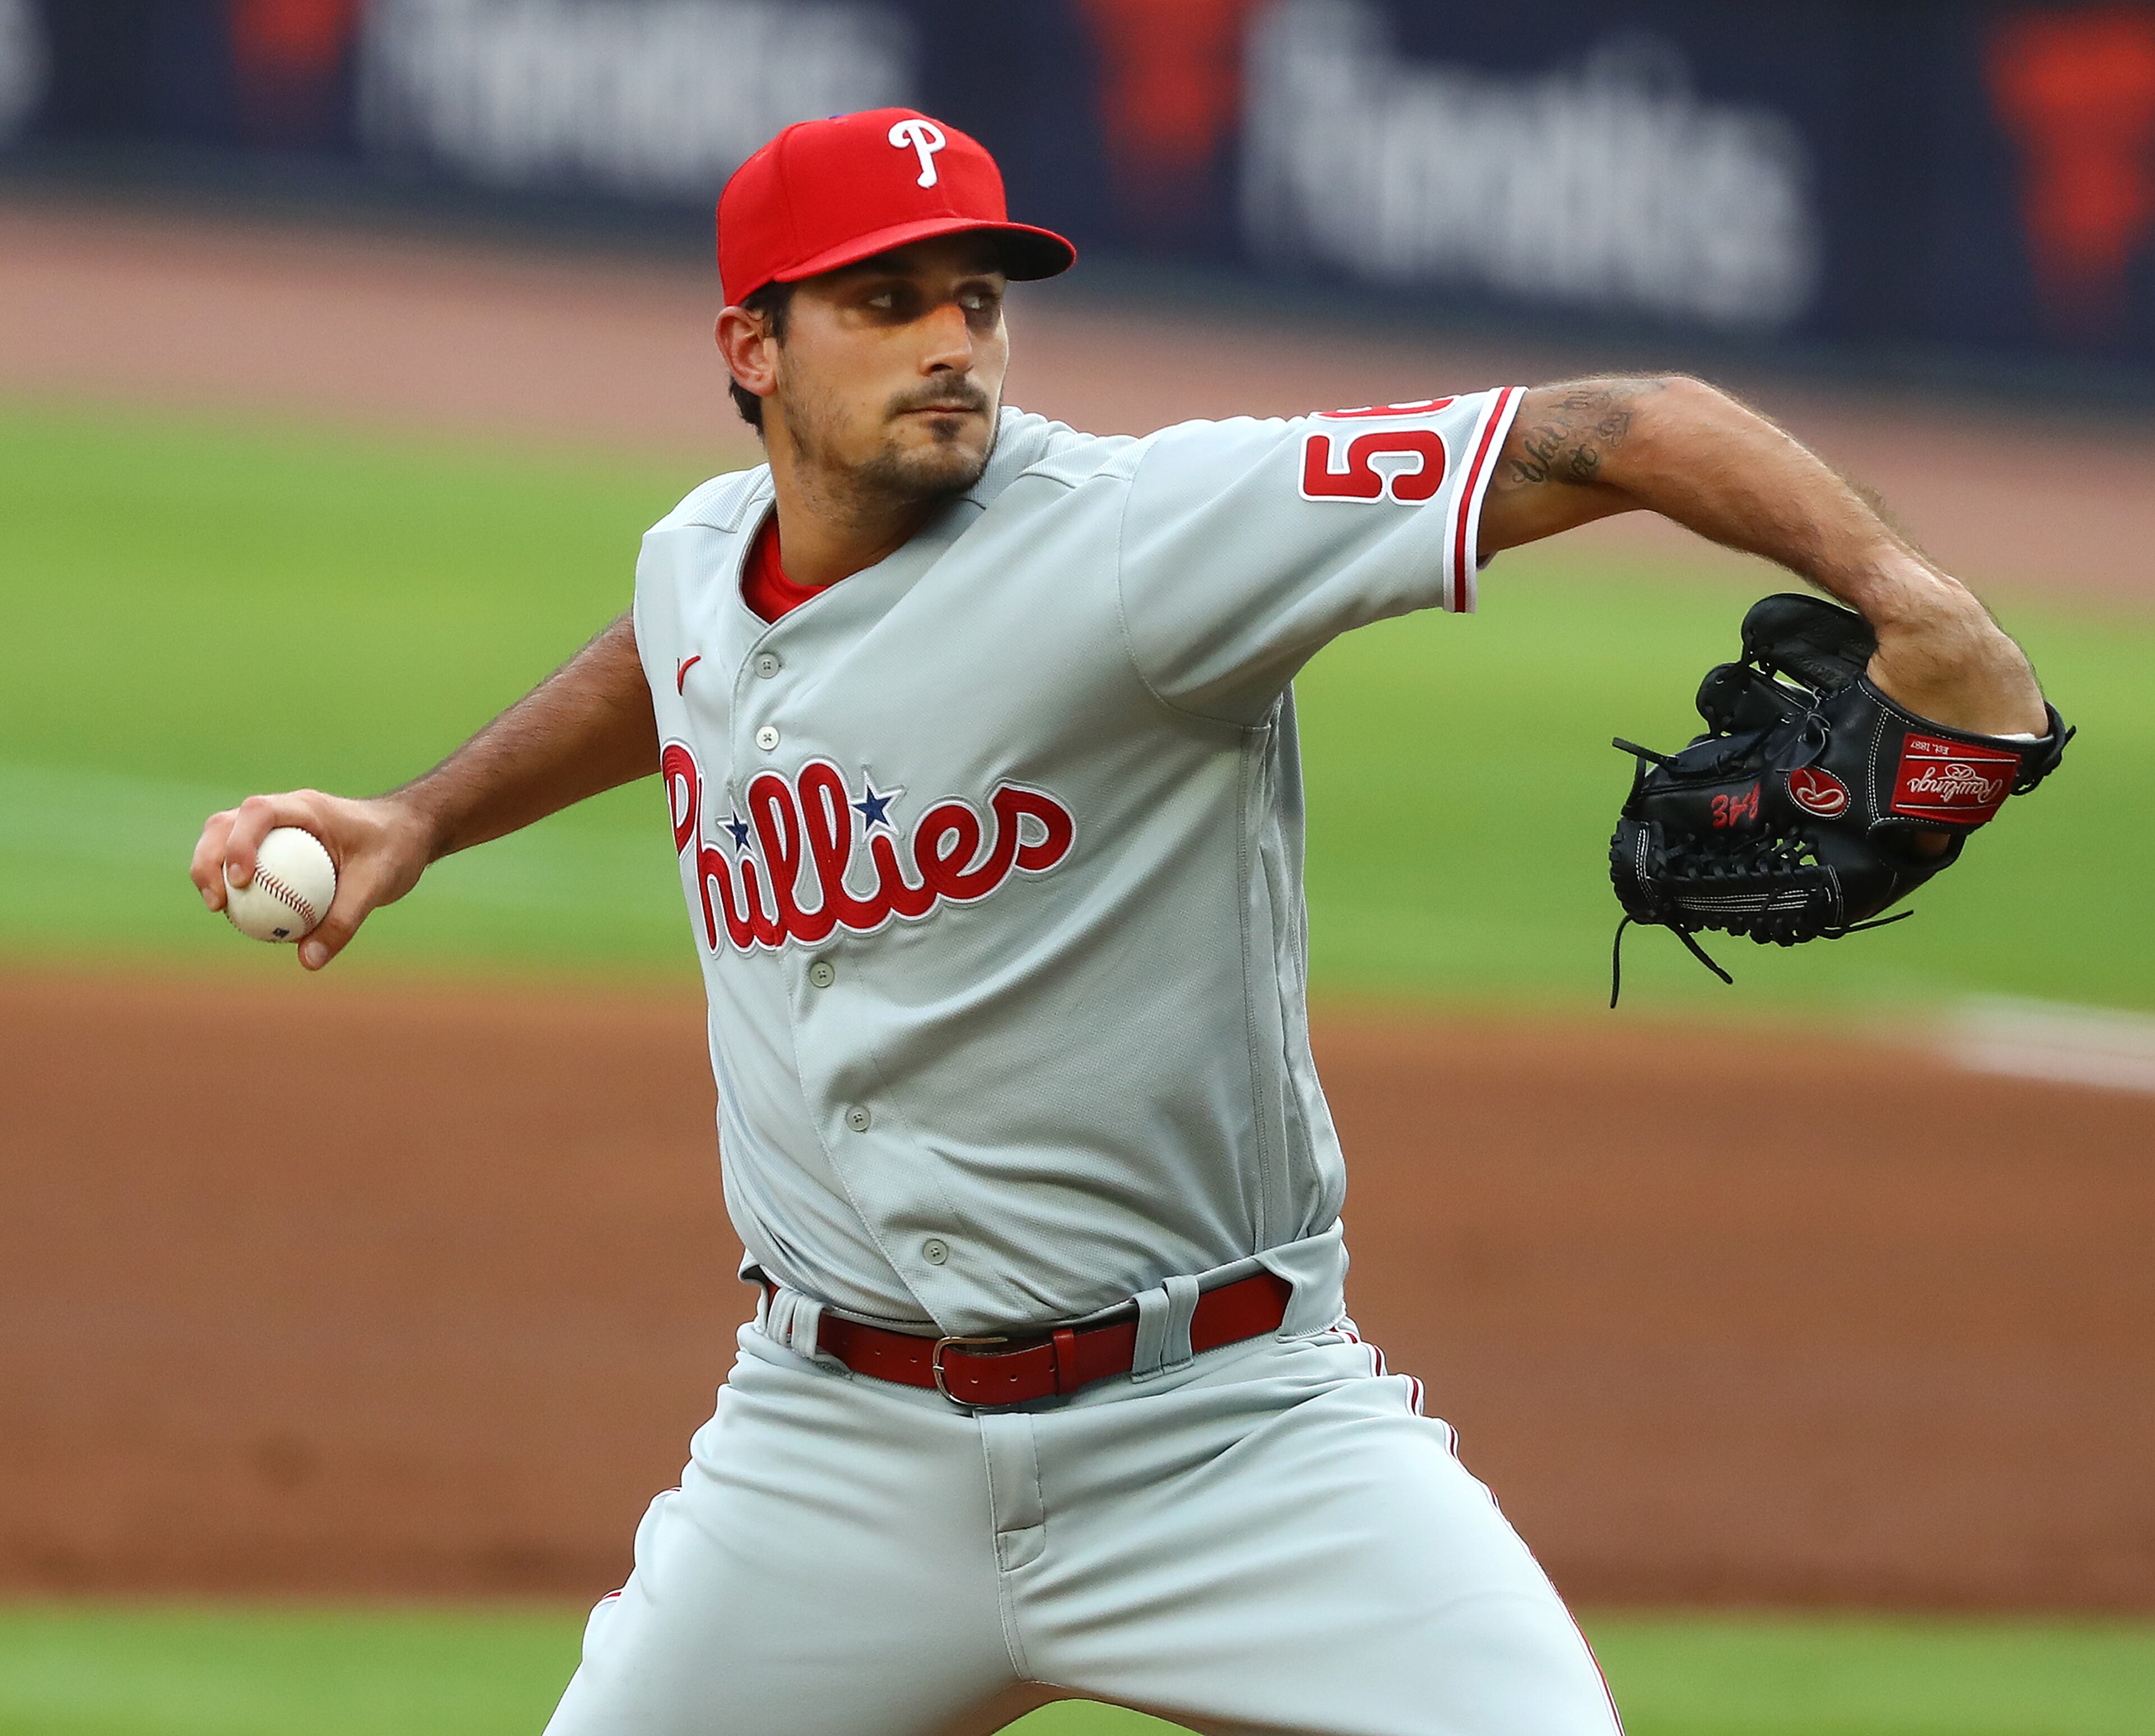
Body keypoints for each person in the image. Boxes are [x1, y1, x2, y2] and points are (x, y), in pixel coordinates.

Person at [190, 109, 2048, 1736]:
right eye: (887, 301)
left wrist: (1918, 606)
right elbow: (685, 656)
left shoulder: (1147, 539)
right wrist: (421, 818)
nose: (953, 343)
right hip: (830, 1456)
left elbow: (1630, 425)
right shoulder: (699, 557)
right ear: (751, 347)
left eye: (978, 300)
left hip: (1228, 1440)